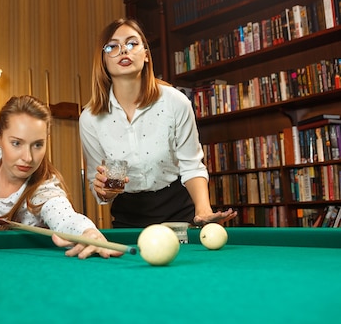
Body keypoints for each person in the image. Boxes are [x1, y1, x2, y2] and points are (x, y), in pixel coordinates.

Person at [79, 18, 237, 228]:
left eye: (132, 43)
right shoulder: (89, 118)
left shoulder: (175, 102)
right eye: (112, 46)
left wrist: (203, 211)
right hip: (128, 217)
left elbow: (191, 165)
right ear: (104, 60)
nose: (124, 51)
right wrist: (104, 192)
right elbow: (99, 183)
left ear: (145, 55)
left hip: (179, 211)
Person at [0, 95, 122, 259]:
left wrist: (87, 231)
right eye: (16, 143)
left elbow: (66, 217)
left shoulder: (44, 191)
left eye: (37, 145)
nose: (28, 157)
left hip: (30, 262)